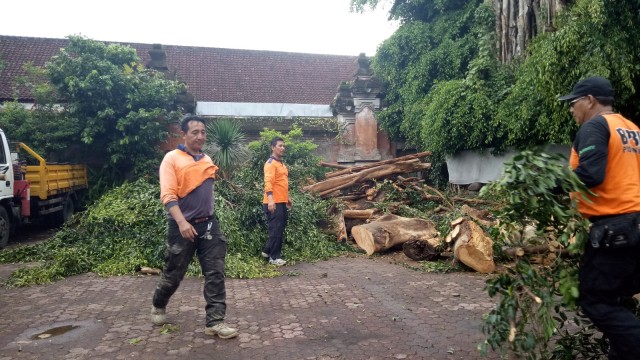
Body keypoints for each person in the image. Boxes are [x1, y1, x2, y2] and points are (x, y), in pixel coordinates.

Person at [559, 76, 640, 359]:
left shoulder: (595, 126)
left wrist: (549, 184)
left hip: (616, 229)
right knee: (619, 298)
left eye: (573, 103)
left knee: (596, 300)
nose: (571, 109)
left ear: (590, 100)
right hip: (635, 225)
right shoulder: (631, 129)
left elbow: (591, 174)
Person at [150, 114, 238, 339]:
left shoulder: (206, 159)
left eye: (203, 132)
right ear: (184, 134)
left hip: (208, 224)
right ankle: (159, 303)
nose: (200, 136)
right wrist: (182, 222)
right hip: (182, 227)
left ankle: (215, 322)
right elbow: (168, 195)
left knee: (215, 273)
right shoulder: (172, 159)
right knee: (174, 273)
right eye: (195, 132)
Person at [261, 137, 292, 266]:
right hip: (273, 202)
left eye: (283, 146)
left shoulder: (281, 164)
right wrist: (270, 200)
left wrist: (287, 198)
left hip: (281, 201)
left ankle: (267, 250)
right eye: (280, 146)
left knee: (280, 227)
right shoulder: (270, 164)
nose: (282, 148)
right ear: (273, 147)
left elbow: (282, 184)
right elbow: (268, 182)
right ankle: (274, 257)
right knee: (276, 229)